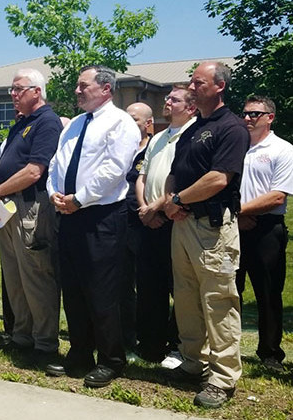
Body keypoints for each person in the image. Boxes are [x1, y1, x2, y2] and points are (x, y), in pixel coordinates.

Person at [45, 65, 140, 388]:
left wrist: (79, 198)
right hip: (68, 215)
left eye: (83, 85)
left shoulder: (121, 123)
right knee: (72, 290)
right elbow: (57, 164)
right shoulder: (73, 126)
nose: (77, 91)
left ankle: (111, 359)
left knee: (102, 291)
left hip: (100, 217)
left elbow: (114, 169)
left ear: (105, 89)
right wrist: (55, 194)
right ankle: (80, 353)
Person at [163, 61, 249, 408]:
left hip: (212, 229)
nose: (191, 87)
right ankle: (193, 362)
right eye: (191, 81)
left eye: (198, 82)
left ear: (219, 87)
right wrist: (171, 201)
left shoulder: (231, 128)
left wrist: (179, 200)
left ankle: (223, 377)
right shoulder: (194, 127)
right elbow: (174, 172)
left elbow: (219, 178)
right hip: (182, 224)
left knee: (219, 302)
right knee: (185, 299)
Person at [0, 68, 62, 367]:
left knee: (36, 276)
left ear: (36, 92)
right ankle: (22, 336)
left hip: (31, 208)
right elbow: (5, 163)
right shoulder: (20, 124)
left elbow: (34, 171)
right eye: (12, 90)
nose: (13, 95)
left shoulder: (47, 122)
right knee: (14, 277)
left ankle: (45, 343)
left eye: (18, 90)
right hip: (7, 207)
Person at [134, 84, 196, 368]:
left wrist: (157, 207)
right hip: (149, 221)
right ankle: (151, 345)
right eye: (168, 97)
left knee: (179, 289)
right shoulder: (158, 137)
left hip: (175, 221)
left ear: (191, 107)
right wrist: (145, 210)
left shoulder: (194, 135)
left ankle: (177, 345)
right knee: (149, 287)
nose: (168, 102)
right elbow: (142, 176)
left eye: (175, 99)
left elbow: (181, 180)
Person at [235, 95, 293, 373]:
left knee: (268, 293)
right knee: (228, 291)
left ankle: (270, 353)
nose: (247, 118)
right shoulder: (236, 146)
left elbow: (277, 196)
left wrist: (241, 212)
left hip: (266, 230)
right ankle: (227, 348)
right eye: (245, 114)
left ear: (270, 117)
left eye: (255, 114)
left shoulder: (283, 149)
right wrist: (237, 217)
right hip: (232, 228)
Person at [122, 102, 154, 358]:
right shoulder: (122, 148)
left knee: (147, 285)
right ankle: (126, 337)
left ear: (147, 124)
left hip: (147, 224)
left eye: (134, 119)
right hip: (120, 222)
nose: (129, 124)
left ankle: (150, 339)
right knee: (122, 284)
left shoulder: (155, 148)